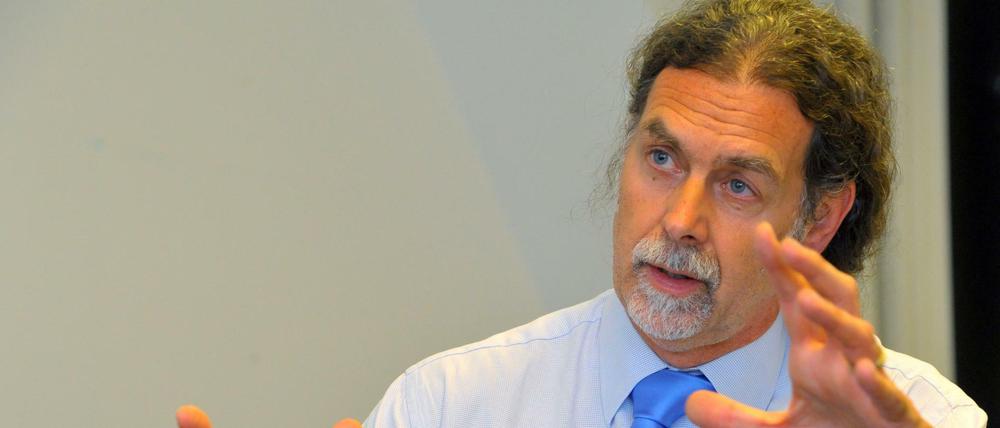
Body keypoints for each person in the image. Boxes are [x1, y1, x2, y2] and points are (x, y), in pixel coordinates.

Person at [178, 1, 986, 427]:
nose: (681, 220)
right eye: (661, 159)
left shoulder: (922, 420)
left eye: (738, 185)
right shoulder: (453, 405)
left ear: (820, 217)